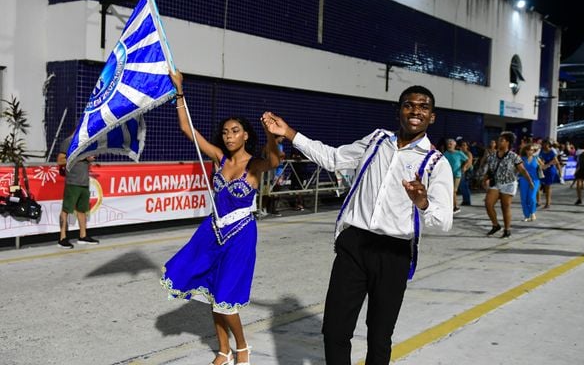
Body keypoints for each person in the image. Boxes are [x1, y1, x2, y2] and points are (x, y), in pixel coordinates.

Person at [261, 85, 453, 364]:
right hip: (354, 244)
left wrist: (422, 203)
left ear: (431, 117)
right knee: (335, 330)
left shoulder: (436, 163)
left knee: (379, 336)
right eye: (409, 105)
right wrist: (290, 133)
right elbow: (334, 158)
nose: (416, 111)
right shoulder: (376, 140)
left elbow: (444, 221)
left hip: (393, 252)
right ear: (399, 110)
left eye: (423, 107)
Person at [160, 70, 280, 365]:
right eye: (226, 132)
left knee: (226, 296)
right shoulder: (218, 158)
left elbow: (276, 160)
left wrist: (269, 134)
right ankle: (223, 351)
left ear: (246, 135)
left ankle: (242, 348)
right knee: (211, 294)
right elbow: (188, 129)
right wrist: (179, 91)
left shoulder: (255, 165)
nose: (229, 136)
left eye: (235, 131)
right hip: (212, 232)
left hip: (241, 234)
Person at [484, 131, 534, 239]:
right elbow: (490, 170)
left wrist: (530, 181)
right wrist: (484, 179)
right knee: (488, 203)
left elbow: (522, 170)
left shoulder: (513, 156)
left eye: (502, 140)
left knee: (505, 206)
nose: (499, 142)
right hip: (496, 183)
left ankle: (507, 230)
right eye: (499, 140)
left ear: (508, 143)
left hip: (509, 183)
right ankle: (496, 225)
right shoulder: (492, 156)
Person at [56, 135, 99, 249]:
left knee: (82, 210)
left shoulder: (85, 142)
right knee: (66, 210)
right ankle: (62, 238)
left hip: (84, 182)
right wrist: (80, 157)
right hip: (72, 182)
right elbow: (60, 161)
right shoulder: (68, 141)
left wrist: (89, 158)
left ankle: (83, 236)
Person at [443, 138, 469, 213]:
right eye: (448, 144)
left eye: (451, 144)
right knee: (450, 191)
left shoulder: (459, 153)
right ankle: (453, 206)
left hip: (457, 175)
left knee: (454, 190)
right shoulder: (445, 154)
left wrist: (464, 167)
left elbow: (467, 160)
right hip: (448, 175)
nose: (449, 145)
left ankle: (456, 207)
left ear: (454, 145)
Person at [518, 144, 542, 222]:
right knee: (524, 198)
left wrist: (550, 163)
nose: (530, 152)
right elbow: (517, 169)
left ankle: (533, 212)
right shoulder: (522, 159)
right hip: (523, 180)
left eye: (532, 150)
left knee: (531, 197)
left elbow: (543, 167)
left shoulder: (536, 158)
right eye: (529, 150)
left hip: (535, 180)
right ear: (526, 151)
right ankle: (526, 215)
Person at [538, 139, 560, 208]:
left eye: (546, 144)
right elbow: (539, 158)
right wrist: (541, 163)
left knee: (548, 187)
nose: (545, 145)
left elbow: (556, 161)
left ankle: (548, 203)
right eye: (544, 144)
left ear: (549, 144)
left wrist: (547, 165)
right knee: (538, 187)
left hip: (550, 170)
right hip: (542, 170)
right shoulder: (541, 151)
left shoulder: (552, 151)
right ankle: (538, 202)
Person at [457, 139, 474, 206]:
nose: (463, 146)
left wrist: (465, 169)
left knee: (465, 186)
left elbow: (469, 162)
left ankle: (467, 201)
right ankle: (465, 200)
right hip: (461, 171)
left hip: (467, 171)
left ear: (467, 146)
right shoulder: (460, 153)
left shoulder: (468, 153)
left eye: (465, 145)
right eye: (462, 145)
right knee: (462, 186)